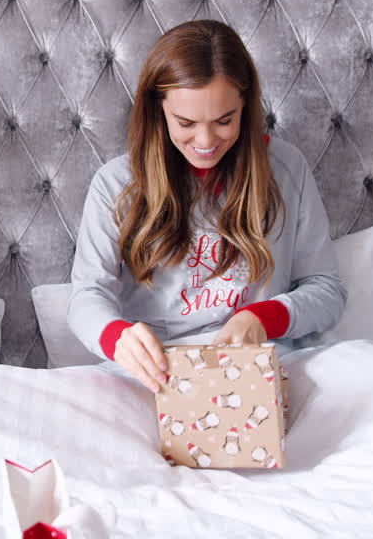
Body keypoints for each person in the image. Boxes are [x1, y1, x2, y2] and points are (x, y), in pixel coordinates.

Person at [67, 20, 346, 391]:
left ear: (245, 106)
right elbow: (87, 296)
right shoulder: (115, 184)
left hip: (265, 363)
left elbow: (327, 289)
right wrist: (117, 336)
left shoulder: (286, 167)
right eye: (185, 122)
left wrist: (264, 317)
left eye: (224, 120)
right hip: (156, 373)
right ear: (158, 111)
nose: (205, 140)